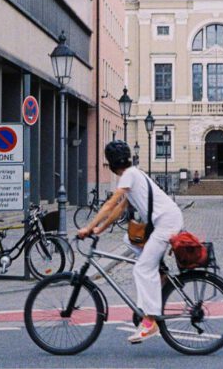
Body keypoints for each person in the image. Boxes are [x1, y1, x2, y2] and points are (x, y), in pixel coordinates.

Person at [78, 141, 183, 344]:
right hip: (164, 220)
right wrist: (100, 229)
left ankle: (150, 322)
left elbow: (110, 203)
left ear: (111, 163)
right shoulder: (135, 173)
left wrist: (88, 227)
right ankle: (159, 274)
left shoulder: (129, 175)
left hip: (166, 223)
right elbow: (118, 208)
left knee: (142, 269)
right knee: (129, 239)